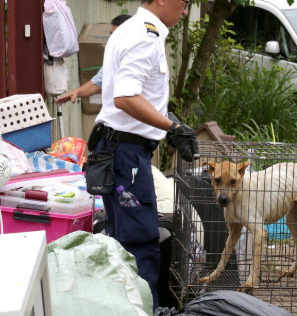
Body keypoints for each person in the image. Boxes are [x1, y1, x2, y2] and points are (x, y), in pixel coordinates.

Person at [89, 0, 195, 311]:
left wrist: (166, 117)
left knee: (123, 239)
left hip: (120, 151)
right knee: (139, 242)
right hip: (126, 155)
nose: (186, 10)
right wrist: (171, 127)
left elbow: (137, 94)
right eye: (184, 3)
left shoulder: (133, 29)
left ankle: (123, 307)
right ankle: (145, 310)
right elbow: (125, 97)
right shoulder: (144, 36)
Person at [54, 14, 132, 105]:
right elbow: (96, 83)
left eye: (116, 35)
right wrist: (76, 92)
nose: (111, 39)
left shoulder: (140, 58)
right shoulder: (114, 58)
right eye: (111, 35)